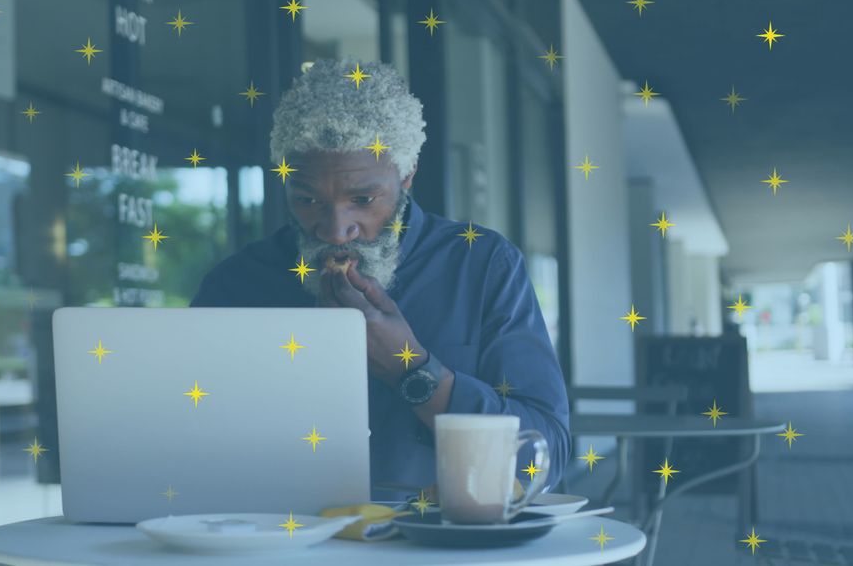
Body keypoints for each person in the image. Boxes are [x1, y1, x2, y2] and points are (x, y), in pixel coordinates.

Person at [190, 57, 569, 501]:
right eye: (307, 200)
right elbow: (183, 441)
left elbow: (547, 459)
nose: (334, 230)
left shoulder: (482, 266)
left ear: (406, 176)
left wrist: (411, 369)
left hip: (437, 547)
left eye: (363, 199)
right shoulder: (236, 285)